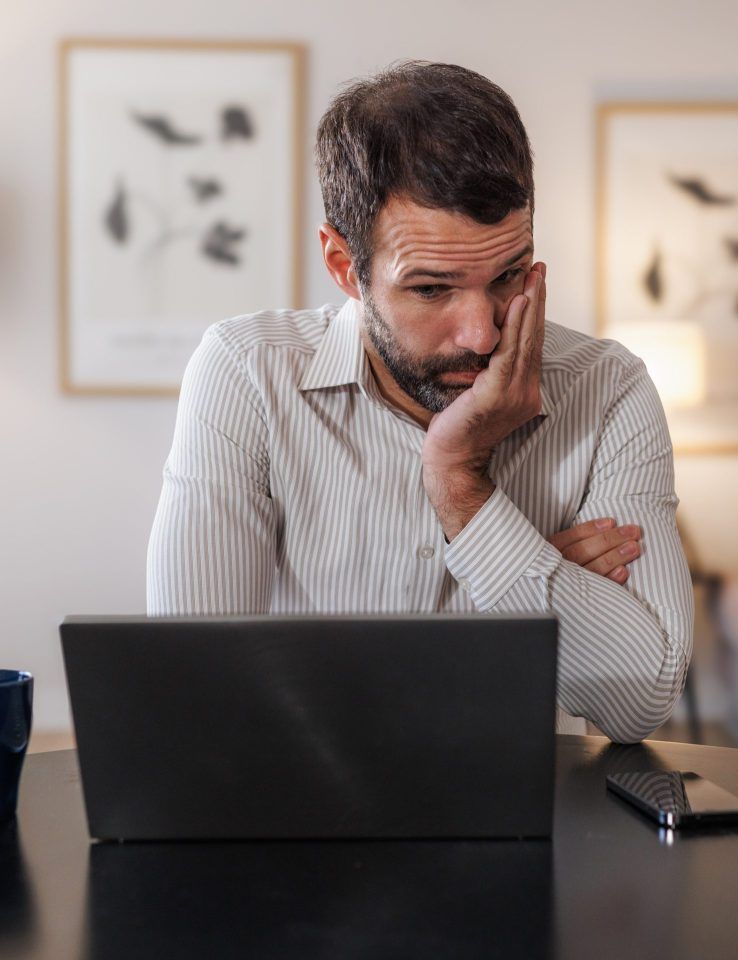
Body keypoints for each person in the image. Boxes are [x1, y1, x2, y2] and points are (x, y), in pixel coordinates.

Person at [147, 60, 692, 743]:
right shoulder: (248, 374)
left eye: (508, 275)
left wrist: (459, 483)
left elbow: (642, 701)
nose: (483, 331)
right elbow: (199, 687)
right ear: (346, 267)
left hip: (531, 823)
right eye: (432, 289)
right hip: (305, 820)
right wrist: (536, 594)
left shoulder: (608, 390)